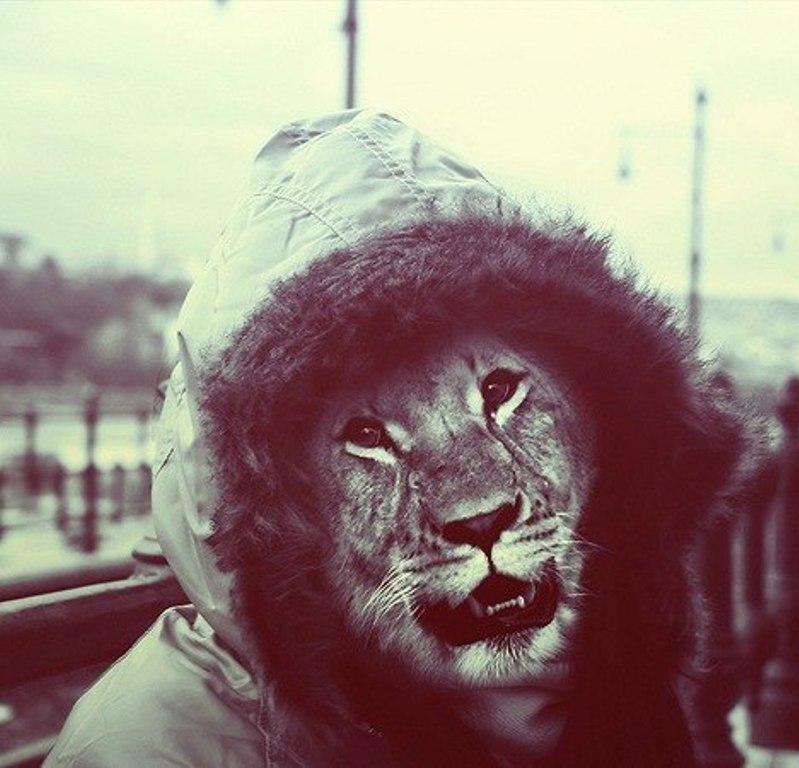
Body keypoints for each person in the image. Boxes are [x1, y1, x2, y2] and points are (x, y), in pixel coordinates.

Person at [46, 111, 749, 767]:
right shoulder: (152, 749)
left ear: (600, 411)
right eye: (365, 436)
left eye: (500, 394)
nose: (477, 500)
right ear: (277, 509)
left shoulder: (612, 655)